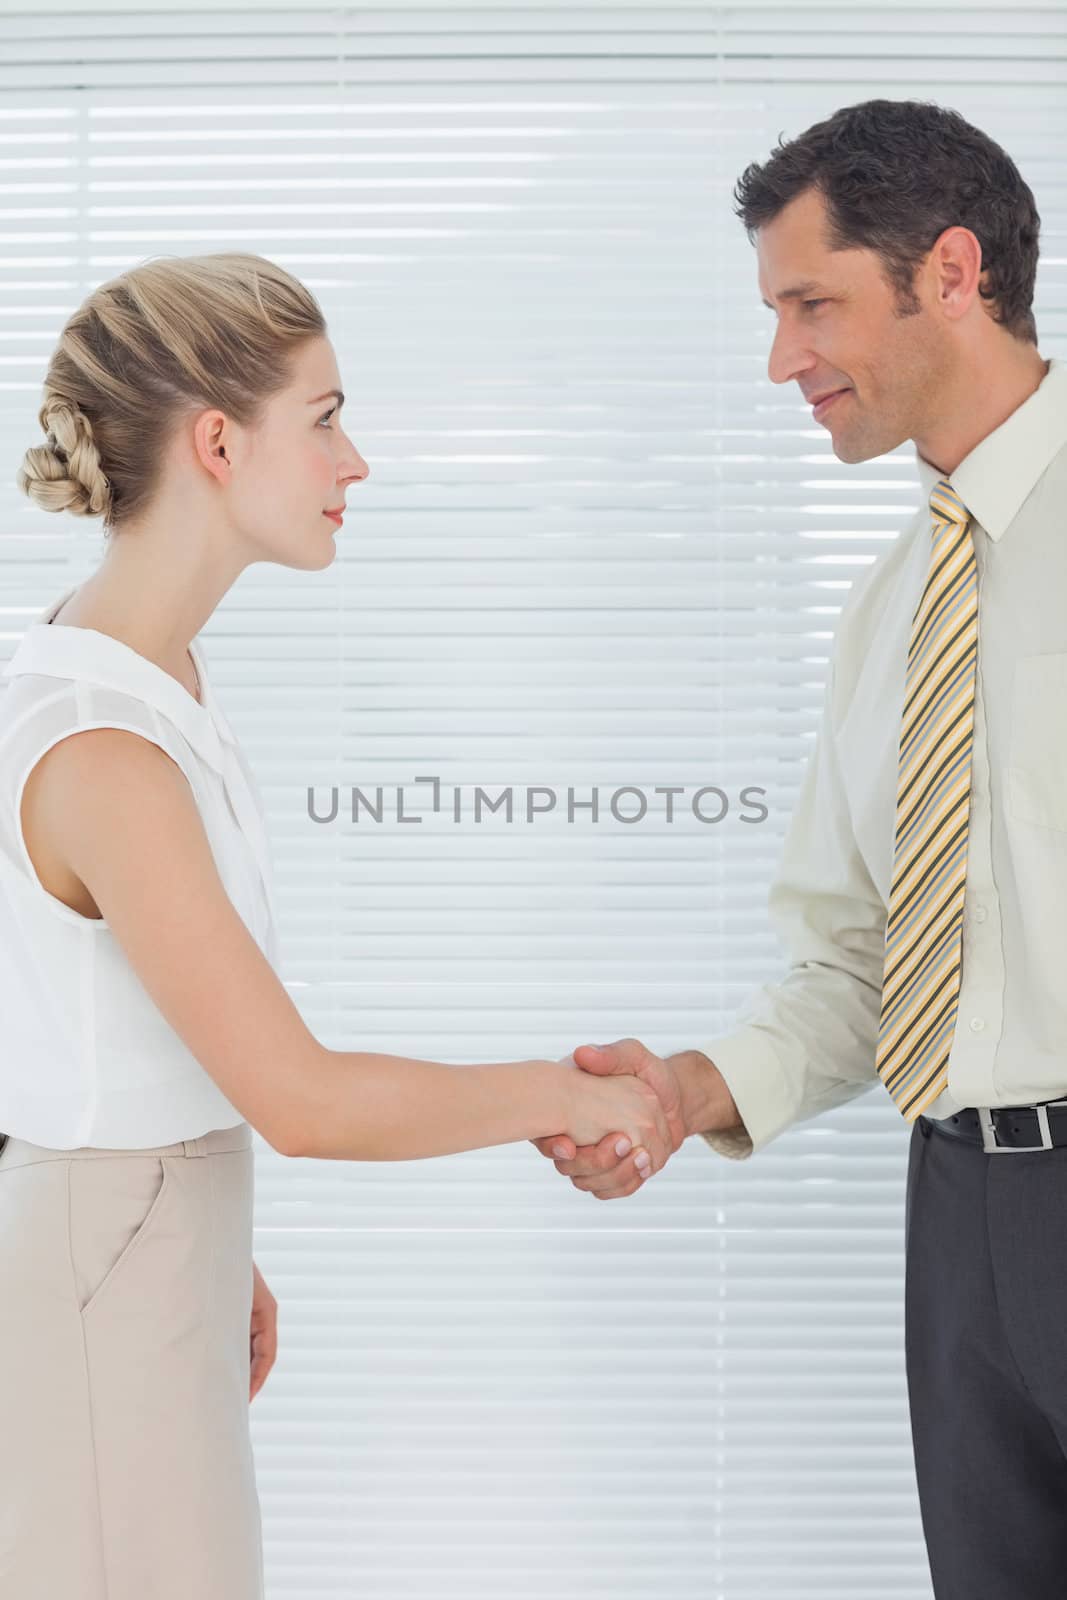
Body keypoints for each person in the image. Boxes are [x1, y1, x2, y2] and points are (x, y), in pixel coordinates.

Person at [0, 252, 677, 1600]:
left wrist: (199, 1239)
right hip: (102, 1280)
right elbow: (302, 1098)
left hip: (134, 1248)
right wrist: (566, 1094)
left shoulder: (126, 670)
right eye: (323, 417)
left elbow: (89, 1025)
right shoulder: (103, 749)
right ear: (214, 441)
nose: (354, 459)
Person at [531, 97, 1067, 1597]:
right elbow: (861, 962)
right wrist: (691, 1089)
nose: (785, 359)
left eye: (812, 303)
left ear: (951, 271)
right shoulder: (893, 605)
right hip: (962, 1214)